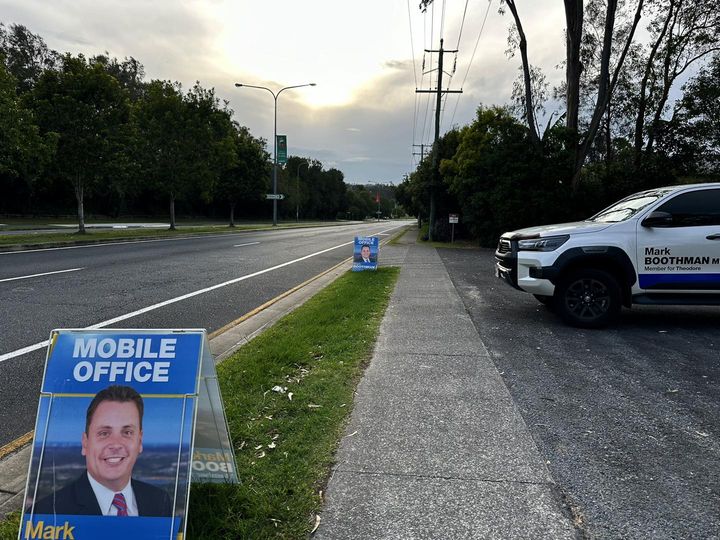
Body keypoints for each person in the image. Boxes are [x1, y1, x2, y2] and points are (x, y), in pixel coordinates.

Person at [32, 385, 173, 517]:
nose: (116, 444)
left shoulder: (160, 501)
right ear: (85, 443)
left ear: (140, 441)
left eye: (127, 432)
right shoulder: (47, 512)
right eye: (104, 433)